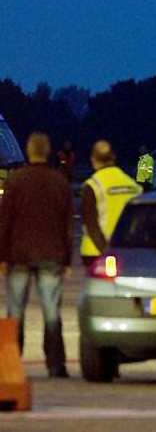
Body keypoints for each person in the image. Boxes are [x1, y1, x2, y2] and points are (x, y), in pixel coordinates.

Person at [0, 133, 74, 378]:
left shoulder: (15, 181)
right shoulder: (59, 182)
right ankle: (55, 363)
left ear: (29, 152)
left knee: (15, 311)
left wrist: (2, 256)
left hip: (18, 255)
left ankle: (12, 362)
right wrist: (67, 259)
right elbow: (67, 225)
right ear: (48, 151)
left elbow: (5, 222)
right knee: (52, 313)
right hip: (51, 254)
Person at [80, 141, 142, 270]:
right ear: (113, 158)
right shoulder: (134, 186)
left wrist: (105, 250)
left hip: (95, 252)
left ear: (93, 159)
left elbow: (91, 223)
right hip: (125, 250)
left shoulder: (92, 185)